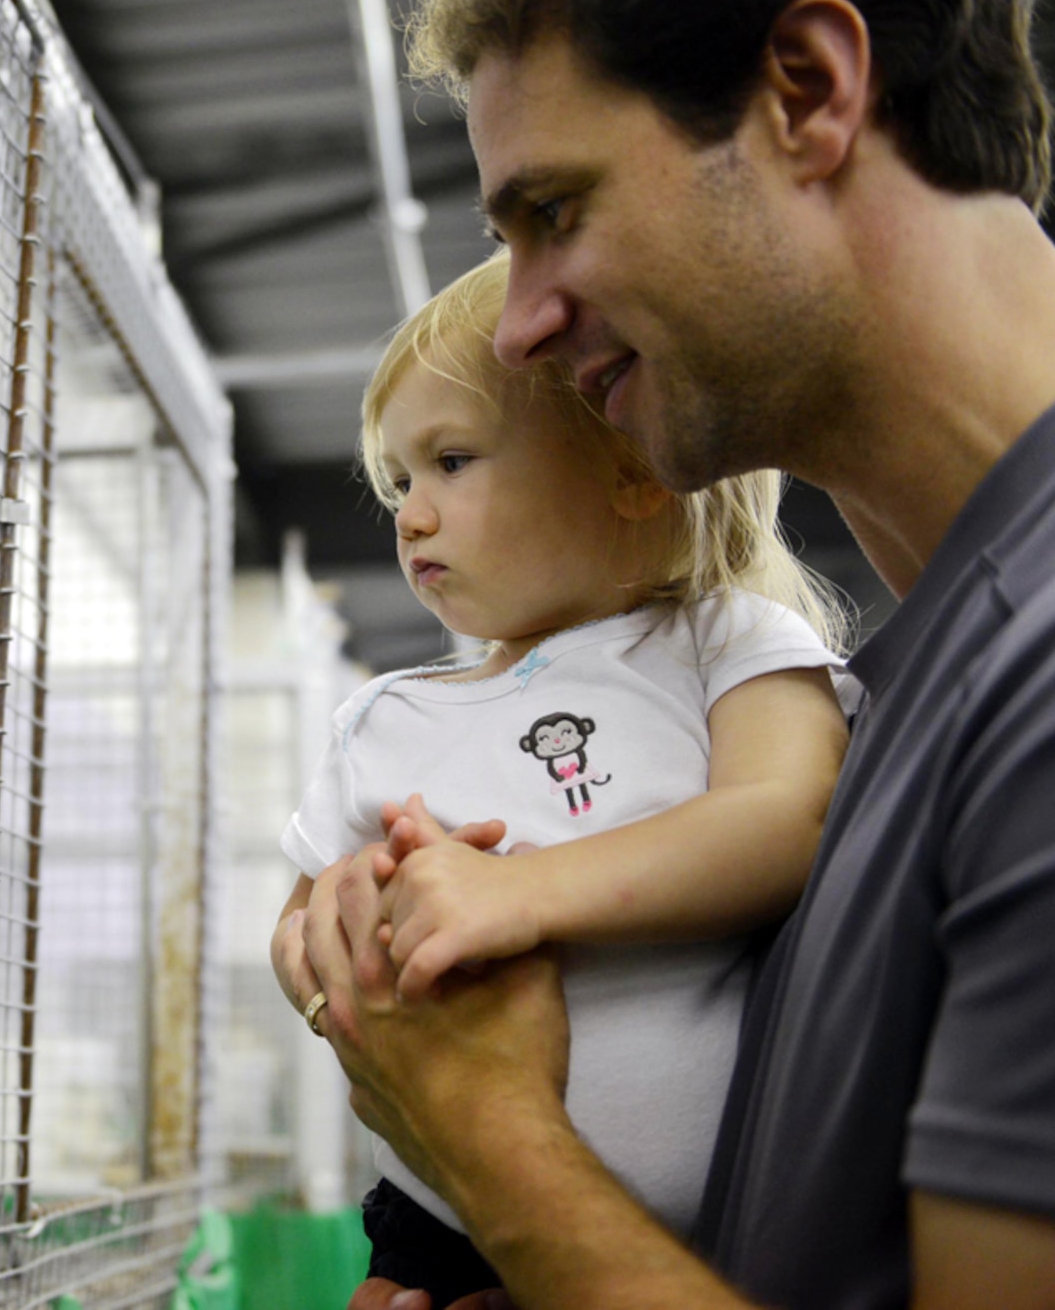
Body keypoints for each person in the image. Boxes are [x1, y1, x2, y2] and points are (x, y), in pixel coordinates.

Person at [277, 0, 1055, 1307]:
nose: (520, 321)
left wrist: (497, 1147)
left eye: (556, 211)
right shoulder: (925, 673)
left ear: (808, 93)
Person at [271, 251, 850, 1306]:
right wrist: (340, 968)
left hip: (727, 1220)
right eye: (400, 480)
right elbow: (299, 922)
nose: (408, 514)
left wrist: (518, 894)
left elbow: (790, 819)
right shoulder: (386, 716)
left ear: (632, 468)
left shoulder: (722, 642)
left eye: (451, 460)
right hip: (434, 1223)